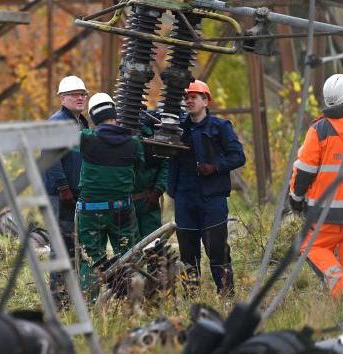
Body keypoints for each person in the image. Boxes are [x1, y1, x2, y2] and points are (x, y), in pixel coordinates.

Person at [289, 73, 343, 298]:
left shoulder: (320, 130)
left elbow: (305, 170)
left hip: (327, 212)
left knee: (310, 246)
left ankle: (342, 287)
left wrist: (296, 199)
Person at [168, 80, 246, 297]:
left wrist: (215, 167)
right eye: (187, 97)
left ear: (206, 101)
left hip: (212, 199)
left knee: (217, 250)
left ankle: (226, 296)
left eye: (195, 96)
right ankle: (191, 297)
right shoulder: (176, 128)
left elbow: (238, 156)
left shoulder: (221, 128)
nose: (189, 100)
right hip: (184, 199)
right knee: (187, 253)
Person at [76, 92, 143, 291]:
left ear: (94, 117)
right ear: (115, 114)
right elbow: (139, 171)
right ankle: (130, 298)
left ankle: (92, 304)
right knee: (129, 255)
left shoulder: (85, 139)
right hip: (122, 209)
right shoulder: (134, 142)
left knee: (91, 259)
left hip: (90, 212)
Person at [43, 76, 89, 305]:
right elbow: (50, 159)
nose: (80, 97)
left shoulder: (82, 123)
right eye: (74, 94)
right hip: (59, 195)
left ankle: (72, 296)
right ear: (62, 98)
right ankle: (58, 300)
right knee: (60, 245)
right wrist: (63, 187)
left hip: (75, 194)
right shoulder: (57, 123)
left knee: (74, 244)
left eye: (83, 93)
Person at [132, 112, 169, 240]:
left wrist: (157, 191)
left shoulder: (154, 135)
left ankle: (157, 260)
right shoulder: (121, 133)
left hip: (148, 199)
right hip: (126, 202)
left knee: (153, 242)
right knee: (130, 245)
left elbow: (165, 166)